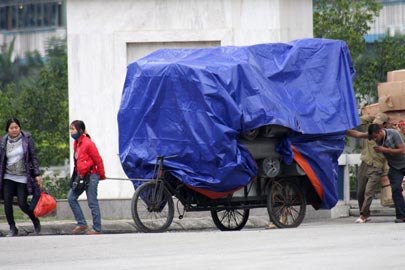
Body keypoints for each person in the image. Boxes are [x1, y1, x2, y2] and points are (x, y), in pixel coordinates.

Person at [346, 112, 391, 223]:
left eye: (379, 124)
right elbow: (358, 121)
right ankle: (365, 213)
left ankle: (363, 215)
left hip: (376, 166)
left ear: (384, 125)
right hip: (365, 163)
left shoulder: (388, 135)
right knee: (360, 191)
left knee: (368, 192)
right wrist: (373, 117)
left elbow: (357, 134)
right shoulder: (370, 130)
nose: (377, 125)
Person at [0, 118, 41, 237]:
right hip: (8, 176)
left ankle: (35, 221)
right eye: (11, 128)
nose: (14, 130)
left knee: (22, 203)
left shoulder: (27, 139)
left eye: (16, 127)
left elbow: (33, 157)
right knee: (7, 203)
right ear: (7, 129)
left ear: (20, 128)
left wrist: (37, 174)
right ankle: (12, 227)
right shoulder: (3, 141)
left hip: (23, 176)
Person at [68, 120, 106, 234]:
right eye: (70, 129)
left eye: (73, 129)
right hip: (81, 177)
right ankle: (82, 223)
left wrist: (102, 174)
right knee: (71, 198)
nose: (71, 132)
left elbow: (98, 159)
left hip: (92, 176)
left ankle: (97, 228)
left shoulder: (88, 143)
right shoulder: (76, 143)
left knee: (92, 202)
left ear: (80, 130)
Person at [368, 123, 405, 223]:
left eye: (376, 137)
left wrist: (385, 150)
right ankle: (401, 216)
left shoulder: (394, 134)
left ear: (380, 132)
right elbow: (358, 134)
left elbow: (402, 150)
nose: (375, 140)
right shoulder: (374, 137)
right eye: (373, 138)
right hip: (395, 167)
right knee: (396, 188)